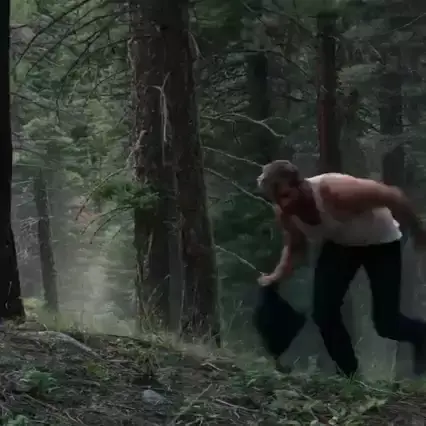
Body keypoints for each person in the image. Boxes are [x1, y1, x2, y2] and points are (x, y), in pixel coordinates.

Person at [256, 160, 426, 378]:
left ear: (300, 184)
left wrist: (418, 232)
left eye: (286, 195)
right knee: (323, 313)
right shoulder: (286, 214)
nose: (284, 204)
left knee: (387, 323)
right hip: (341, 244)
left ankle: (421, 335)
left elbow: (393, 196)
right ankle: (350, 376)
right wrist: (276, 277)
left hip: (381, 242)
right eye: (277, 199)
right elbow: (296, 247)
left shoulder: (336, 191)